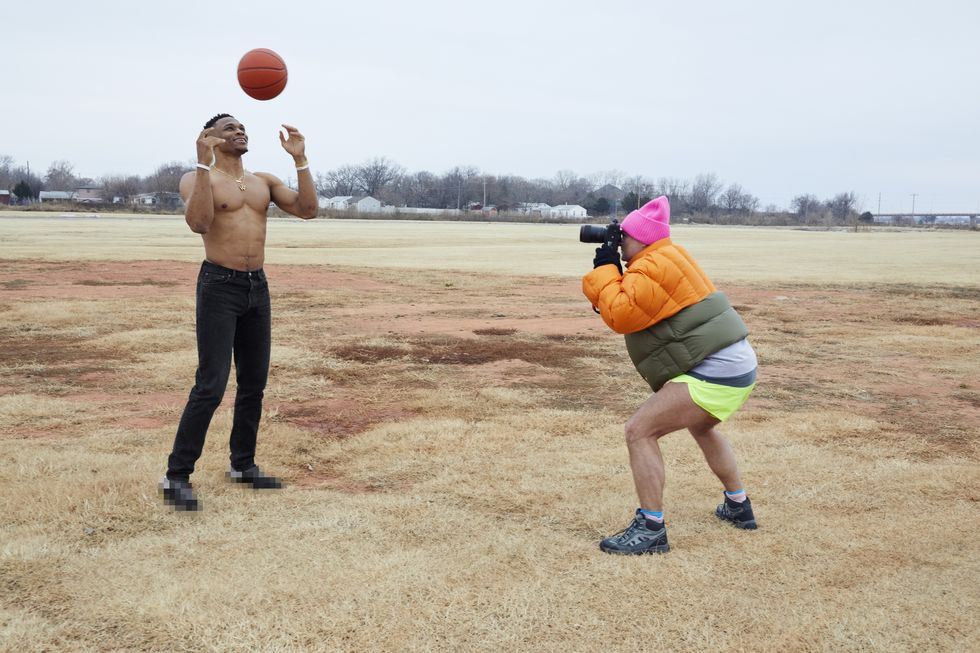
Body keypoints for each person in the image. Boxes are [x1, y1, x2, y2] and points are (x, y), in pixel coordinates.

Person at [582, 196, 759, 554]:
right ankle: (738, 506)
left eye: (622, 238)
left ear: (642, 239)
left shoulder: (652, 266)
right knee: (702, 426)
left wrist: (605, 269)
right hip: (733, 366)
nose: (619, 244)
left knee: (639, 430)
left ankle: (651, 529)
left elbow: (621, 315)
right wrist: (614, 268)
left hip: (716, 371)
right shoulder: (664, 257)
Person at [159, 113, 318, 511]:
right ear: (209, 138)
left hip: (256, 287)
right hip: (219, 285)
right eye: (229, 128)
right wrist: (200, 162)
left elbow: (308, 210)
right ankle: (176, 476)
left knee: (253, 384)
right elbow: (199, 223)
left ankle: (242, 466)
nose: (239, 131)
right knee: (211, 384)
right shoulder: (199, 179)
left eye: (242, 127)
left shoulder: (263, 181)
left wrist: (301, 160)